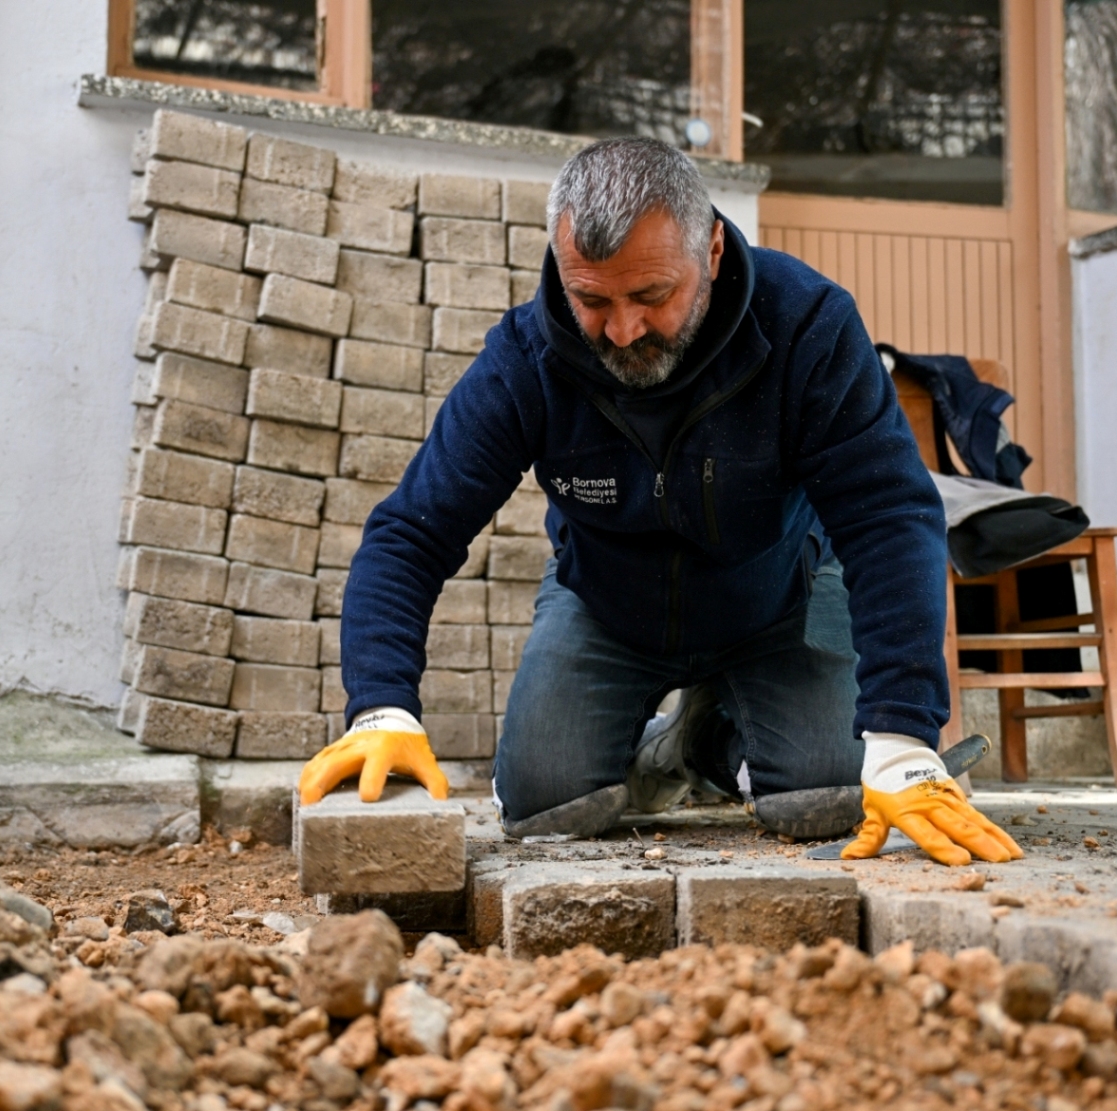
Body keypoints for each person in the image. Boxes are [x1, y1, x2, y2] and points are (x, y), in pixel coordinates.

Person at [298, 137, 1021, 867]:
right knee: (546, 805)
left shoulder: (807, 325)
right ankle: (678, 740)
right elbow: (410, 533)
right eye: (591, 299)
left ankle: (717, 738)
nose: (621, 330)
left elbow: (889, 517)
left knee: (825, 796)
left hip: (779, 594)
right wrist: (380, 706)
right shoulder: (525, 360)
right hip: (608, 606)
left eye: (650, 296)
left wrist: (901, 738)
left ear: (709, 250)